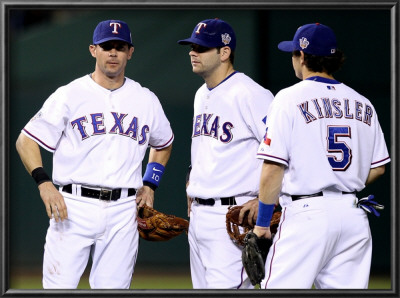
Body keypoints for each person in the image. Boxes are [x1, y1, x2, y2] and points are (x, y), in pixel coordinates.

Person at [15, 19, 174, 289]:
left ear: (130, 52)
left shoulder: (146, 99)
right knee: (58, 289)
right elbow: (26, 140)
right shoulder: (70, 94)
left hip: (124, 210)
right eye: (106, 46)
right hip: (72, 206)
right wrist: (44, 184)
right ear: (93, 50)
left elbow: (164, 143)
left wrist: (150, 183)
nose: (113, 52)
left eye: (120, 47)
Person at [253, 23, 390, 289]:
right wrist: (342, 183)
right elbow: (379, 168)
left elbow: (272, 167)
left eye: (293, 53)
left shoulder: (289, 98)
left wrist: (261, 225)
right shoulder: (363, 102)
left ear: (302, 56)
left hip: (307, 216)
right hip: (353, 216)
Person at [177, 18, 274, 289]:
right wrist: (192, 180)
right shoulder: (200, 94)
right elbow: (207, 149)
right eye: (192, 46)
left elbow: (284, 151)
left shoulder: (252, 94)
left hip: (233, 217)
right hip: (199, 216)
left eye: (202, 47)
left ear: (224, 52)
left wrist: (266, 200)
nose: (192, 52)